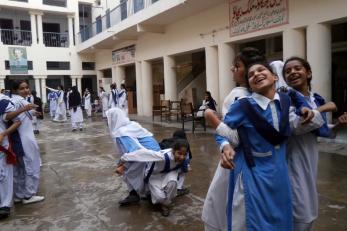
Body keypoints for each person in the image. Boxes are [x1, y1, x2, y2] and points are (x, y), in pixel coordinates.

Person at [202, 47, 265, 231]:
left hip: (238, 162)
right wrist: (224, 144)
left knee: (227, 207)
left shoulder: (238, 95)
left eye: (236, 66)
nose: (232, 69)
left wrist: (212, 119)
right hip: (256, 163)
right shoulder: (267, 96)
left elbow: (230, 135)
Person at [282, 57, 347, 230]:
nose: (293, 72)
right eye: (288, 71)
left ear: (308, 73)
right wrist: (323, 109)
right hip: (292, 160)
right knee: (300, 212)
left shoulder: (315, 99)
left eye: (297, 68)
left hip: (309, 159)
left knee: (308, 207)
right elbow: (295, 126)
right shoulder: (285, 99)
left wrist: (339, 124)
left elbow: (321, 130)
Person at [120, 139, 189, 217]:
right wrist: (123, 158)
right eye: (179, 153)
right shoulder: (162, 156)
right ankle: (155, 197)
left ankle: (165, 205)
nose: (182, 157)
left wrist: (178, 187)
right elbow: (142, 154)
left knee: (173, 182)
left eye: (184, 154)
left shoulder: (184, 159)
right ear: (173, 151)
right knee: (159, 198)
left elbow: (182, 172)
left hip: (169, 174)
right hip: (155, 175)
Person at [106, 108, 161, 206]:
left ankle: (135, 194)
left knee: (127, 171)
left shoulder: (121, 132)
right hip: (153, 154)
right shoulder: (131, 125)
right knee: (126, 166)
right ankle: (142, 193)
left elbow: (135, 151)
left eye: (108, 119)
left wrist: (123, 165)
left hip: (148, 156)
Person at [11, 80, 44, 205]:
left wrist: (34, 112)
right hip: (25, 138)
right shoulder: (20, 101)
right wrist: (29, 109)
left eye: (26, 87)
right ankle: (29, 194)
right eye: (22, 88)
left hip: (19, 138)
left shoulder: (16, 101)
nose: (26, 90)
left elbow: (26, 114)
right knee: (31, 165)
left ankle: (19, 195)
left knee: (19, 168)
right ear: (15, 90)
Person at [0, 94, 26, 219]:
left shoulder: (3, 102)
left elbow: (16, 121)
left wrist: (4, 133)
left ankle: (4, 205)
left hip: (1, 145)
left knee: (3, 175)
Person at [159, 130, 191, 196]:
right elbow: (187, 158)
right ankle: (179, 188)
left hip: (161, 166)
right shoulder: (184, 145)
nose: (182, 156)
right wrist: (186, 168)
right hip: (169, 166)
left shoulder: (165, 141)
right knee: (183, 170)